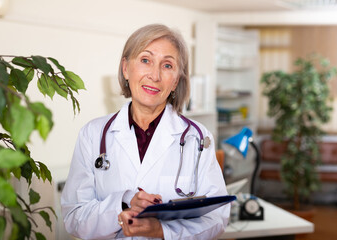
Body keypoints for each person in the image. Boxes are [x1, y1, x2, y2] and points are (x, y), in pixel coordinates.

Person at [61, 24, 230, 240]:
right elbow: (73, 217)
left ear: (176, 79)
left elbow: (216, 218)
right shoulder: (93, 134)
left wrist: (162, 231)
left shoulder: (197, 137)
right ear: (125, 68)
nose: (155, 75)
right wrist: (122, 204)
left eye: (167, 65)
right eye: (145, 60)